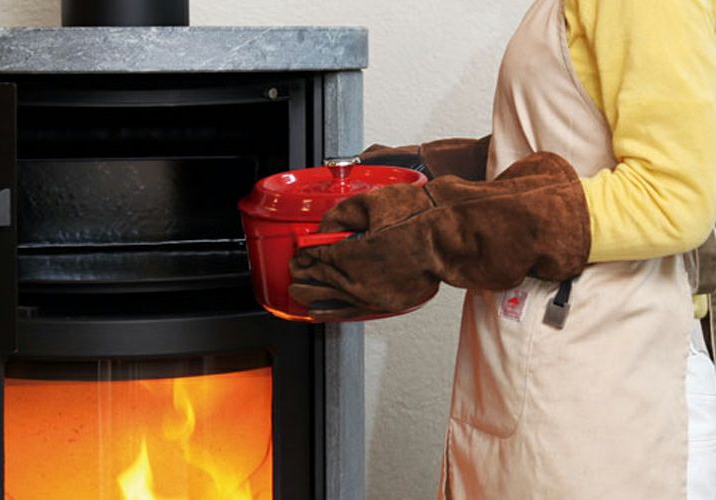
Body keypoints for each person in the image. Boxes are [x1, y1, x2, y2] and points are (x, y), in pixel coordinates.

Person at [290, 0, 716, 498]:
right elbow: (582, 135)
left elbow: (674, 197)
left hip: (612, 378)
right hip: (561, 364)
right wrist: (436, 170)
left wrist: (443, 228)